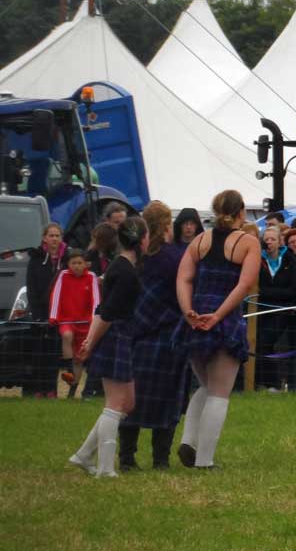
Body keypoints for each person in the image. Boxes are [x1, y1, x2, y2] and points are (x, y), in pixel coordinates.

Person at [175, 190, 259, 469]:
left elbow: (184, 278)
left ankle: (188, 441)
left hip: (196, 315)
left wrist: (188, 312)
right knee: (219, 392)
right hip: (223, 317)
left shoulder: (199, 240)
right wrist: (219, 315)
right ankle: (204, 461)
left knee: (207, 385)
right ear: (241, 212)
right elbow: (244, 285)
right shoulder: (247, 242)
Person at [68, 216, 147, 477]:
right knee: (116, 403)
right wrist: (90, 343)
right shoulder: (123, 271)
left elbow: (103, 310)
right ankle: (104, 469)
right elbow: (108, 313)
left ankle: (83, 455)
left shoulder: (123, 266)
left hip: (119, 335)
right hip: (115, 335)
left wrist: (91, 340)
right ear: (140, 240)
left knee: (128, 403)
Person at [118, 202, 188, 470]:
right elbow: (184, 294)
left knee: (130, 398)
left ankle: (127, 458)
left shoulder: (137, 257)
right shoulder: (175, 258)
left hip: (135, 333)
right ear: (167, 224)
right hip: (167, 335)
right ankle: (160, 459)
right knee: (167, 397)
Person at [48, 249, 99, 390]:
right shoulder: (63, 275)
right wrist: (53, 316)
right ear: (68, 264)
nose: (76, 266)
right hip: (66, 319)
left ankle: (73, 388)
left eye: (79, 263)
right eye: (73, 263)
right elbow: (56, 295)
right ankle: (68, 368)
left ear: (85, 264)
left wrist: (94, 318)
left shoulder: (91, 277)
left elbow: (96, 299)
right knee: (67, 335)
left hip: (85, 322)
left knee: (80, 358)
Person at [256, 225, 296, 391]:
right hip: (262, 310)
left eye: (272, 239)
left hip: (283, 311)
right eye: (266, 239)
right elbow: (257, 289)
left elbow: (293, 290)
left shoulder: (289, 259)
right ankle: (267, 382)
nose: (269, 242)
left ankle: (272, 383)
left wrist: (268, 293)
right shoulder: (259, 260)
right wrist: (274, 293)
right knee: (261, 344)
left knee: (266, 342)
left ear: (279, 241)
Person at [22, 222, 66, 324]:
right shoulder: (35, 259)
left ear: (61, 238)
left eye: (57, 236)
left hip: (64, 311)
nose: (54, 239)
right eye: (51, 236)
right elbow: (31, 287)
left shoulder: (68, 258)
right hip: (42, 311)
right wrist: (36, 313)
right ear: (44, 238)